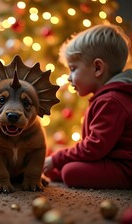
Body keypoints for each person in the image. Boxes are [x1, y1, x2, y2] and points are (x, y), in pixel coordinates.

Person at [43, 24, 132, 189]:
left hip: (126, 169)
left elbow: (94, 148)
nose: (69, 78)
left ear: (98, 68)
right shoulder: (106, 97)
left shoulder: (112, 101)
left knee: (70, 172)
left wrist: (57, 159)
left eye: (73, 69)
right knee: (67, 167)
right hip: (110, 160)